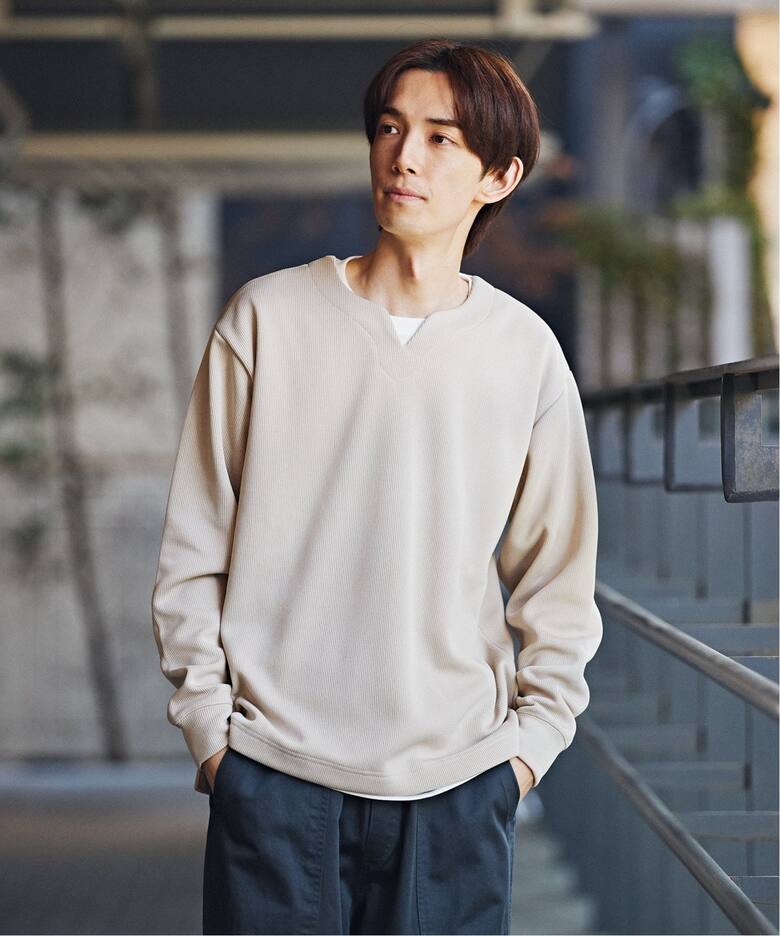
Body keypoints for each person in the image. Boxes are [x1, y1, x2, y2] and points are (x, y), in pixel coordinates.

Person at [151, 37, 603, 936]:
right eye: (391, 129)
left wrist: (527, 752)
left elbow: (559, 577)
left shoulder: (524, 354)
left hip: (458, 785)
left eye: (441, 138)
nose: (404, 157)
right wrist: (212, 739)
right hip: (273, 777)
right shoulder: (266, 320)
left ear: (499, 177)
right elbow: (194, 546)